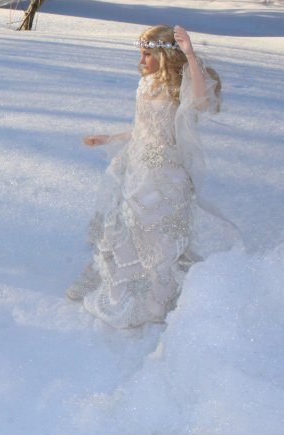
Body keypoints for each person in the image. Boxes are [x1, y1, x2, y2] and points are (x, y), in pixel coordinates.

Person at [67, 25, 236, 328]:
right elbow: (143, 129)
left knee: (159, 242)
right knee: (125, 233)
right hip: (137, 172)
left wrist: (190, 55)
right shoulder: (146, 84)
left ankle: (159, 301)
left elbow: (201, 100)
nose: (142, 60)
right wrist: (109, 137)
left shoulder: (179, 87)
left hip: (166, 178)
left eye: (148, 54)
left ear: (163, 55)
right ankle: (125, 293)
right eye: (141, 54)